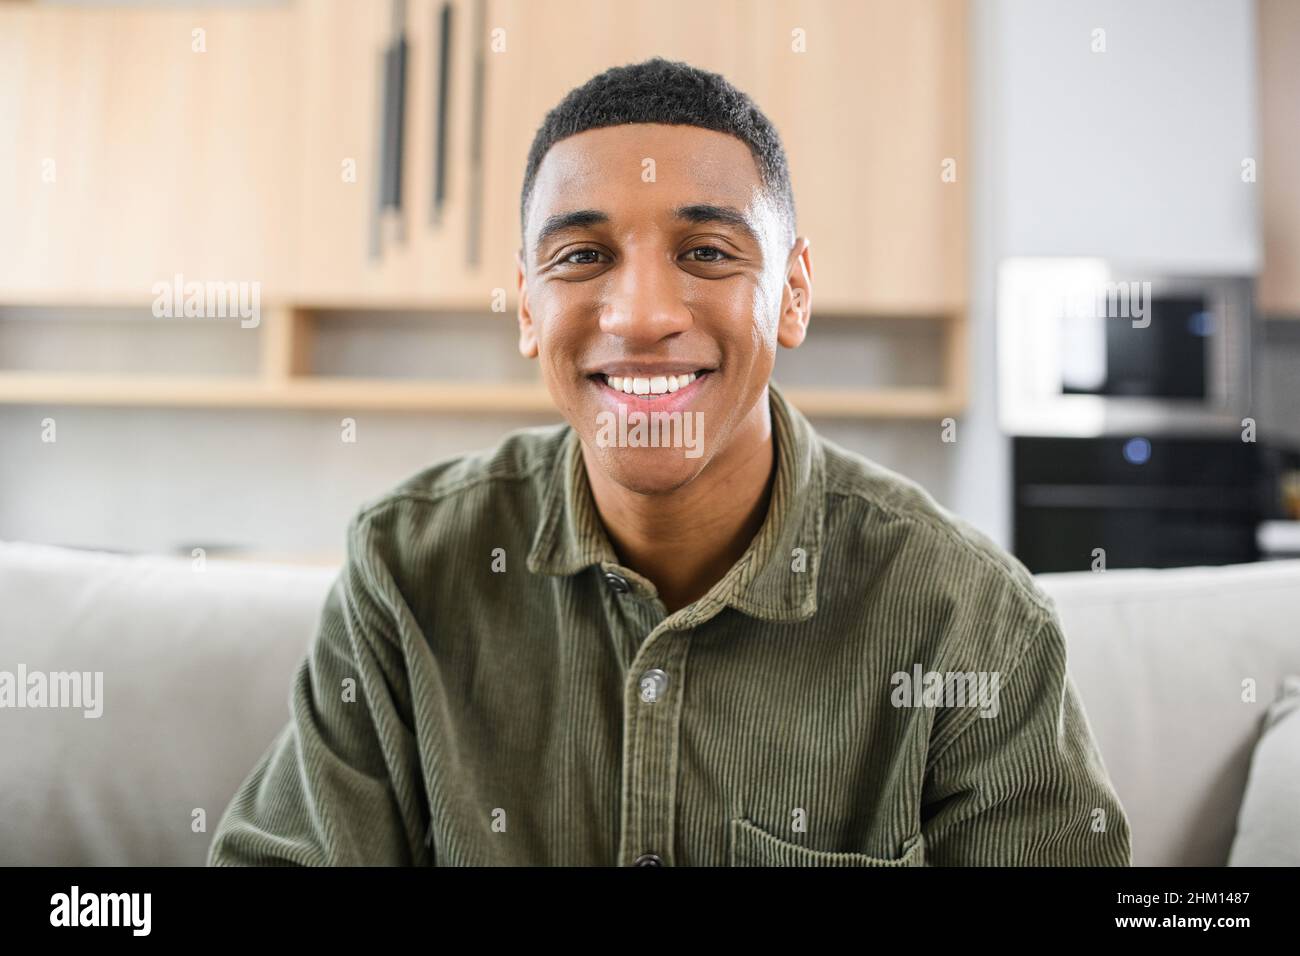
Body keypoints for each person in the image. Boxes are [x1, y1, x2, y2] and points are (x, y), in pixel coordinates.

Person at [208, 57, 1131, 867]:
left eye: (706, 251)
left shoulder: (971, 618)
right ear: (527, 307)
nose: (642, 314)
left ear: (793, 295)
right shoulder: (403, 571)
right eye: (582, 255)